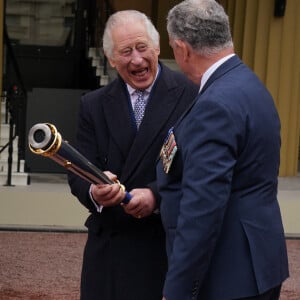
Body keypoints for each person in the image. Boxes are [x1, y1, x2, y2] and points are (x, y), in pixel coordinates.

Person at [156, 1, 289, 299]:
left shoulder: (215, 101)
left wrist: (177, 289)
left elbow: (203, 207)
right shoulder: (249, 84)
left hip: (227, 275)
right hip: (257, 262)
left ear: (182, 48)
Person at [68, 9, 198, 300]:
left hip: (163, 245)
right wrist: (93, 191)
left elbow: (199, 168)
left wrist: (155, 195)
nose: (137, 59)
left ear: (157, 47)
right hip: (109, 251)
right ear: (111, 59)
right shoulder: (93, 105)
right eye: (126, 52)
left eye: (142, 47)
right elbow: (76, 171)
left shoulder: (191, 95)